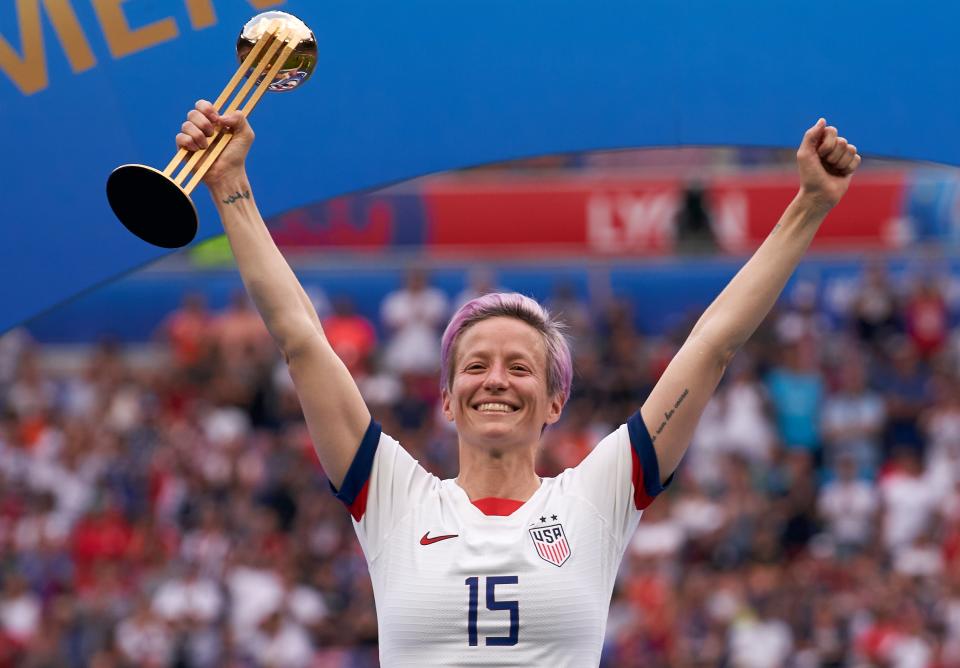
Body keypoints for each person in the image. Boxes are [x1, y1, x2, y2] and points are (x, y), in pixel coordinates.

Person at [175, 101, 861, 666]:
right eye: (474, 366)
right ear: (445, 398)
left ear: (555, 400)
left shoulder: (597, 497)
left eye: (519, 366)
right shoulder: (393, 499)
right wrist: (231, 184)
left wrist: (808, 206)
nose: (494, 380)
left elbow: (712, 347)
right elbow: (301, 340)